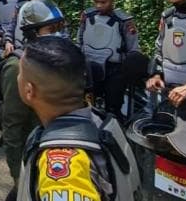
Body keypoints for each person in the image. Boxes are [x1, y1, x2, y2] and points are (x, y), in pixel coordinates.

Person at [17, 37, 141, 201]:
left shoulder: (62, 166)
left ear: (29, 90)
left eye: (20, 73)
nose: (17, 77)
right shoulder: (100, 122)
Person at [0, 0, 66, 200]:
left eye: (60, 28)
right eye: (51, 29)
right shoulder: (18, 68)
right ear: (33, 33)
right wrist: (19, 177)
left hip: (56, 155)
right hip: (33, 157)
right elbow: (12, 126)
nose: (58, 34)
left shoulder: (59, 61)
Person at [77, 0, 141, 117]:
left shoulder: (124, 20)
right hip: (89, 68)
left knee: (113, 108)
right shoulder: (87, 16)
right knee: (87, 106)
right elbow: (80, 39)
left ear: (112, 1)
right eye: (96, 2)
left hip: (115, 70)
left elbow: (133, 48)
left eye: (103, 2)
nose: (99, 6)